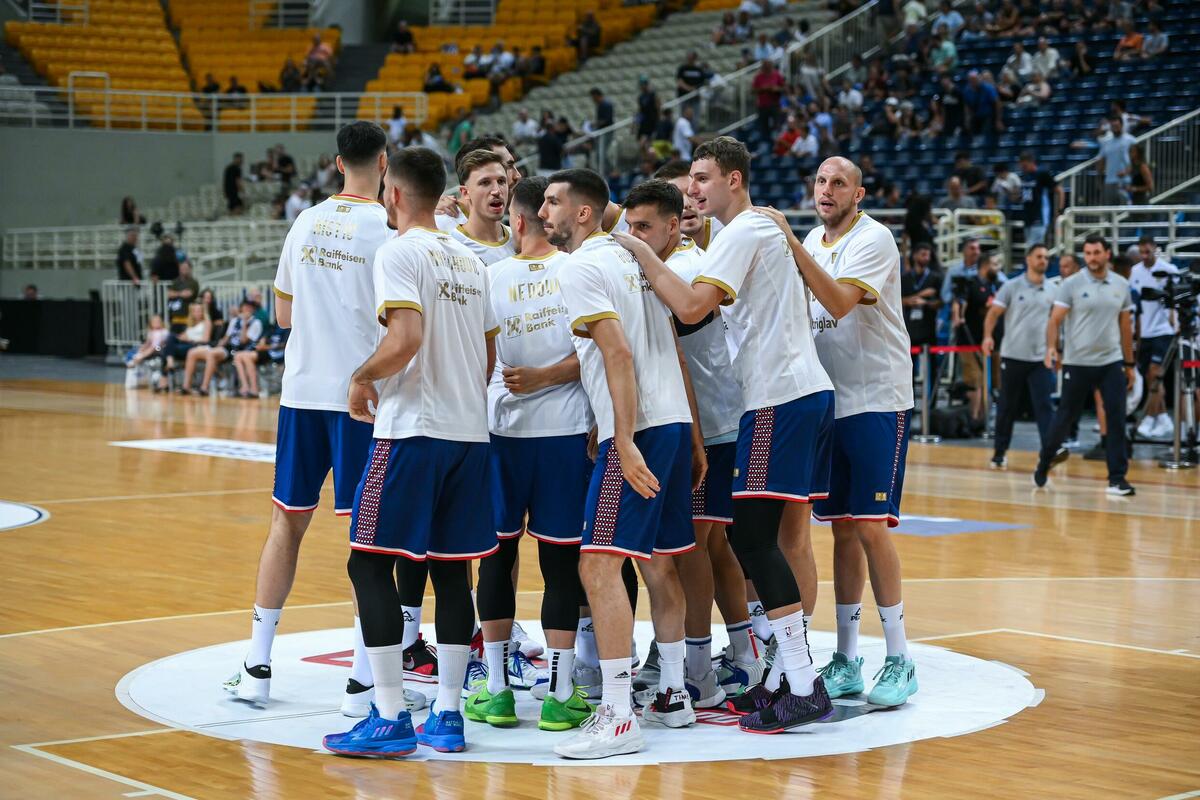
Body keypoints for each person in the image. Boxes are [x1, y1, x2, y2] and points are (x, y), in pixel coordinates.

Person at [613, 137, 835, 733]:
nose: (692, 189)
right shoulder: (754, 230)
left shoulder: (744, 230)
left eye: (703, 178)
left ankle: (803, 683)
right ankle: (782, 676)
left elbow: (691, 307)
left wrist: (638, 250)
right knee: (757, 539)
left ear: (733, 180)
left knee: (757, 541)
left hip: (780, 397)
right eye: (690, 178)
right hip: (788, 395)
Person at [222, 124, 421, 716]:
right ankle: (363, 683)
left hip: (302, 394)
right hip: (364, 399)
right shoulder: (388, 230)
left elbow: (283, 315)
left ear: (338, 163)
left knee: (286, 524)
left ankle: (256, 667)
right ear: (383, 163)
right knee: (369, 540)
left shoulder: (305, 221)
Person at [321, 147, 500, 758]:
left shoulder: (398, 252)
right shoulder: (471, 261)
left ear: (392, 194)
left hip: (413, 433)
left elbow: (405, 338)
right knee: (452, 572)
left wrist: (361, 377)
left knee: (368, 565)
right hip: (469, 434)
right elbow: (487, 356)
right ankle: (448, 714)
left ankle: (391, 714)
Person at [542, 169, 698, 760]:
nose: (542, 213)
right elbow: (660, 347)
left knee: (599, 566)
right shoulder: (631, 256)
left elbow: (618, 352)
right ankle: (675, 694)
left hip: (639, 430)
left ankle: (617, 714)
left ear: (583, 213)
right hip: (671, 420)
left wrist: (623, 438)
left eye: (553, 203)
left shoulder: (581, 266)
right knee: (659, 563)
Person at [755, 157, 915, 707]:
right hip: (829, 401)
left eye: (838, 183)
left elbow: (840, 304)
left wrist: (787, 242)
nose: (827, 190)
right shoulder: (812, 241)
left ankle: (899, 657)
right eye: (821, 181)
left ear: (858, 193)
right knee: (843, 530)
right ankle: (847, 657)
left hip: (876, 399)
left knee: (870, 526)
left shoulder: (874, 239)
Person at [465, 177, 596, 732]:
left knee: (496, 557)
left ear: (515, 221)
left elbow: (475, 360)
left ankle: (496, 690)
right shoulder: (577, 270)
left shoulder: (488, 277)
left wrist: (531, 379)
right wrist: (551, 378)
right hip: (566, 434)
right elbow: (598, 352)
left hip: (501, 435)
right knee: (560, 563)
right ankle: (560, 695)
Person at [1035, 235, 1137, 495]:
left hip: (1111, 361)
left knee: (1116, 418)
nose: (1092, 258)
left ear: (1107, 254)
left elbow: (1125, 326)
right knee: (1065, 418)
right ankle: (1045, 461)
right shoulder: (1071, 284)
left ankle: (1117, 478)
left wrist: (1129, 363)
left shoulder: (1121, 284)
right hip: (1077, 362)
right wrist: (1051, 348)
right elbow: (1054, 320)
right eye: (1088, 253)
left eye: (1096, 253)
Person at [982, 243, 1056, 467]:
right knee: (1007, 406)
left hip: (1040, 358)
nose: (1043, 260)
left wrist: (1054, 348)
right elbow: (993, 313)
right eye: (1039, 256)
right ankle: (999, 452)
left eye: (1046, 257)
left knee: (1044, 406)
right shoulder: (1011, 286)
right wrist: (988, 336)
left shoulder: (1053, 289)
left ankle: (1049, 453)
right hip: (1013, 355)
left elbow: (1055, 323)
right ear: (1028, 259)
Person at [1130, 236, 1179, 440]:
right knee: (1150, 378)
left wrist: (1174, 320)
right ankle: (1163, 417)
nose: (1144, 256)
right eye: (1141, 252)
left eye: (1148, 252)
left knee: (1155, 372)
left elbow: (1177, 299)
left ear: (1155, 249)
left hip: (1163, 330)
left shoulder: (1169, 270)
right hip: (1144, 332)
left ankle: (1150, 417)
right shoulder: (1134, 272)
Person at [953, 251, 1002, 423]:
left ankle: (984, 419)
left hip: (992, 341)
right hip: (970, 341)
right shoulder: (970, 283)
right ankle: (974, 419)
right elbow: (960, 302)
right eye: (995, 264)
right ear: (985, 266)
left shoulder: (995, 285)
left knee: (992, 381)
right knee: (975, 380)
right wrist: (958, 316)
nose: (998, 268)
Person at [448, 150, 517, 265]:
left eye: (501, 181)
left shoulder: (520, 241)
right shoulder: (451, 247)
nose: (496, 191)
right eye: (485, 182)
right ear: (465, 192)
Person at [159, 302, 210, 392]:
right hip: (185, 345)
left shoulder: (206, 323)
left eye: (199, 310)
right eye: (195, 311)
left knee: (166, 349)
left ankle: (164, 380)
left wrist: (190, 339)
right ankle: (170, 363)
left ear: (203, 312)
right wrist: (182, 338)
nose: (197, 313)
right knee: (170, 338)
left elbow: (206, 340)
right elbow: (182, 336)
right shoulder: (190, 324)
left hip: (196, 346)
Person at [901, 242, 943, 348]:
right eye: (923, 254)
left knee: (931, 356)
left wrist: (925, 302)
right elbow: (896, 300)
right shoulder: (904, 278)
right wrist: (917, 297)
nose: (927, 258)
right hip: (908, 328)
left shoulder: (936, 278)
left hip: (929, 328)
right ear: (915, 256)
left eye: (928, 255)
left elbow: (941, 303)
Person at [1017, 150, 1060, 247]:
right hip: (1027, 217)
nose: (1023, 168)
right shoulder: (1024, 176)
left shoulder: (1042, 174)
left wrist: (1059, 210)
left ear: (1031, 162)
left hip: (1040, 217)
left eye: (1025, 166)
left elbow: (1059, 191)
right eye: (1021, 166)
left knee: (1034, 247)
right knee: (1030, 247)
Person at [1097, 115, 1136, 205]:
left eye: (1117, 126)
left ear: (1122, 125)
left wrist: (1126, 172)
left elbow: (1135, 160)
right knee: (1109, 210)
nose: (1115, 128)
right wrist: (1099, 177)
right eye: (1113, 126)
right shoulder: (1106, 142)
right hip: (1109, 181)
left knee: (1125, 210)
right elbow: (1101, 160)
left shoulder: (1131, 140)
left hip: (1125, 182)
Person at [752, 59, 785, 144]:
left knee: (777, 125)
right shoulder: (758, 76)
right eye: (765, 66)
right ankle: (766, 144)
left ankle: (777, 143)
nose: (767, 68)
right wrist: (763, 88)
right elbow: (753, 90)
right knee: (763, 127)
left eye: (768, 66)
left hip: (775, 104)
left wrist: (776, 89)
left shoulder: (777, 75)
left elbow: (784, 88)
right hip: (763, 105)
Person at [165, 259, 198, 332]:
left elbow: (188, 294)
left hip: (187, 316)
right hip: (174, 316)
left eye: (186, 268)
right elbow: (169, 294)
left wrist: (175, 293)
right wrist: (181, 293)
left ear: (190, 269)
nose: (184, 270)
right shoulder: (175, 281)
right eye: (182, 268)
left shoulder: (193, 282)